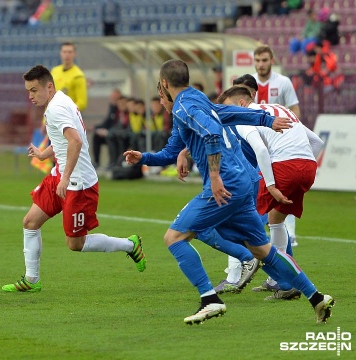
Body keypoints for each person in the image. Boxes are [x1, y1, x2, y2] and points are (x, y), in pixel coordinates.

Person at [124, 59, 334, 325]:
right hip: (245, 180)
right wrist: (142, 157)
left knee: (174, 237)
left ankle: (209, 300)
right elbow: (225, 116)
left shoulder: (184, 106)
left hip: (226, 182)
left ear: (165, 84)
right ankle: (317, 298)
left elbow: (212, 133)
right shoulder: (196, 99)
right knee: (263, 250)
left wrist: (213, 177)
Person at [2, 65, 146, 293]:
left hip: (77, 183)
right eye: (28, 91)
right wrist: (43, 154)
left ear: (49, 87)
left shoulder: (57, 108)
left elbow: (76, 141)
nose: (30, 96)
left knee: (75, 243)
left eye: (34, 90)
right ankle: (32, 279)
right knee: (30, 222)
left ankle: (130, 245)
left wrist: (65, 177)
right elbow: (64, 142)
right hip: (61, 175)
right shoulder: (59, 101)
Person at [218, 86, 325, 300]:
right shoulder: (279, 108)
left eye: (228, 108)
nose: (226, 115)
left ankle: (254, 265)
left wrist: (270, 184)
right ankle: (282, 281)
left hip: (284, 166)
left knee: (242, 220)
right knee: (275, 220)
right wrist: (301, 169)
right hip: (308, 166)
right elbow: (318, 142)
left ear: (240, 104)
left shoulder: (245, 117)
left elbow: (261, 150)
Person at [252, 44, 302, 287]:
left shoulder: (282, 83)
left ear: (271, 60)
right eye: (257, 60)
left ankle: (279, 271)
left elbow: (294, 110)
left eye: (264, 60)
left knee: (276, 204)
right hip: (257, 147)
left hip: (278, 149)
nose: (261, 64)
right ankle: (280, 275)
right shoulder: (248, 83)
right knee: (271, 208)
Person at [91, 88, 120, 168]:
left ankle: (113, 162)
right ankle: (96, 162)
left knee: (110, 137)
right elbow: (108, 121)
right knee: (96, 137)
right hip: (110, 132)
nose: (113, 99)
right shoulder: (112, 107)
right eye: (112, 97)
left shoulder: (120, 109)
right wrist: (98, 127)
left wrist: (108, 131)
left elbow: (117, 123)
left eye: (115, 97)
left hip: (117, 134)